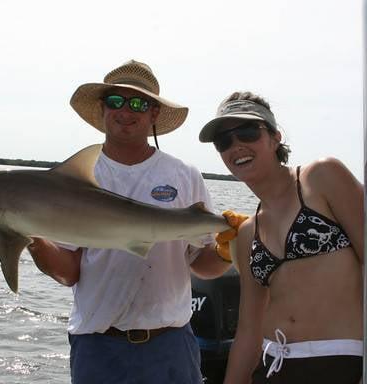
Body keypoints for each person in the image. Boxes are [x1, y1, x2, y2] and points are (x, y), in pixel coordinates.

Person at [27, 60, 236, 384]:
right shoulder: (77, 179)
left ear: (153, 113)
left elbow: (201, 264)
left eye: (138, 102)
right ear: (102, 109)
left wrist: (226, 250)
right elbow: (69, 273)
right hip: (98, 346)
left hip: (171, 344)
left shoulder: (184, 175)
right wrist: (31, 237)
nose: (126, 110)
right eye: (116, 101)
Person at [199, 91, 364, 384]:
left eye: (248, 132)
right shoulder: (248, 232)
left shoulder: (323, 177)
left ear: (275, 137)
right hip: (273, 366)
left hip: (340, 363)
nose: (236, 145)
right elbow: (248, 330)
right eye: (224, 141)